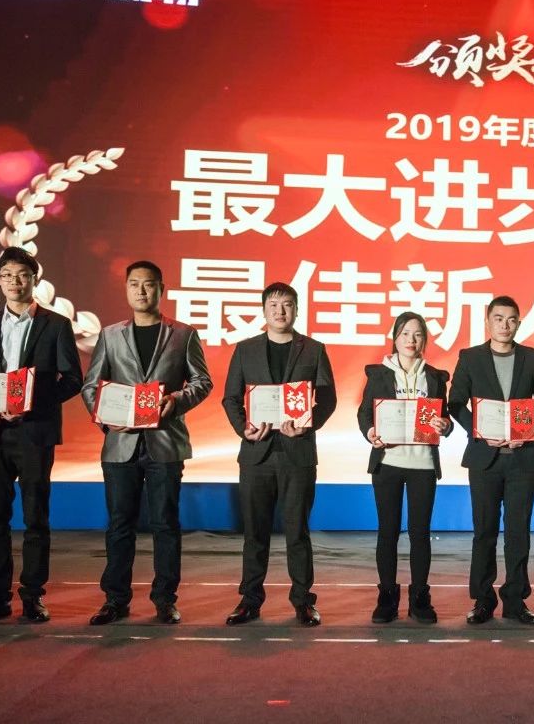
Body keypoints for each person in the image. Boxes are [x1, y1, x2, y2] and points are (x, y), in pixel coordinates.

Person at [80, 261, 213, 626]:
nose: (141, 291)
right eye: (134, 284)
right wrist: (105, 417)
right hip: (120, 443)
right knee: (119, 524)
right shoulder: (110, 335)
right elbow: (91, 385)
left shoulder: (183, 334)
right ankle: (115, 600)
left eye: (149, 284)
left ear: (161, 289)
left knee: (165, 524)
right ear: (126, 289)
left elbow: (202, 382)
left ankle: (165, 599)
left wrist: (177, 401)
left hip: (165, 442)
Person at [0, 246, 84, 624]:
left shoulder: (56, 324)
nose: (15, 281)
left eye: (23, 275)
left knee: (35, 518)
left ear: (35, 280)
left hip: (34, 432)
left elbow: (72, 379)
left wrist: (30, 402)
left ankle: (32, 596)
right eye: (8, 275)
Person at [221, 282, 337, 627]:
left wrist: (307, 425)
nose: (280, 311)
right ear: (264, 310)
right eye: (273, 305)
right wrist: (243, 428)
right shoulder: (245, 349)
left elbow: (328, 398)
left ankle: (303, 601)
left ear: (296, 310)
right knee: (254, 533)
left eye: (287, 304)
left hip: (297, 454)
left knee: (297, 531)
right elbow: (230, 398)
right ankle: (250, 601)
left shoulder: (313, 349)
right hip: (256, 453)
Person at [448, 295, 534, 626]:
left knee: (518, 533)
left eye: (511, 319)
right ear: (488, 322)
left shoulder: (533, 358)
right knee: (484, 531)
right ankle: (482, 600)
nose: (505, 325)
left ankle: (515, 601)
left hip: (522, 458)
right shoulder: (470, 357)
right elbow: (455, 403)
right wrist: (479, 431)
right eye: (498, 318)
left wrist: (527, 431)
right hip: (485, 459)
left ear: (518, 323)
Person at [357, 311, 452, 624]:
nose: (412, 340)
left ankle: (420, 597)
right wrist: (371, 432)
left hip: (422, 464)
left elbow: (445, 417)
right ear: (395, 337)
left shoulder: (435, 377)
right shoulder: (378, 375)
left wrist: (445, 425)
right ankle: (386, 596)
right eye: (405, 334)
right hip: (388, 463)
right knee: (387, 532)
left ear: (424, 340)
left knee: (420, 533)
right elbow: (364, 414)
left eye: (418, 334)